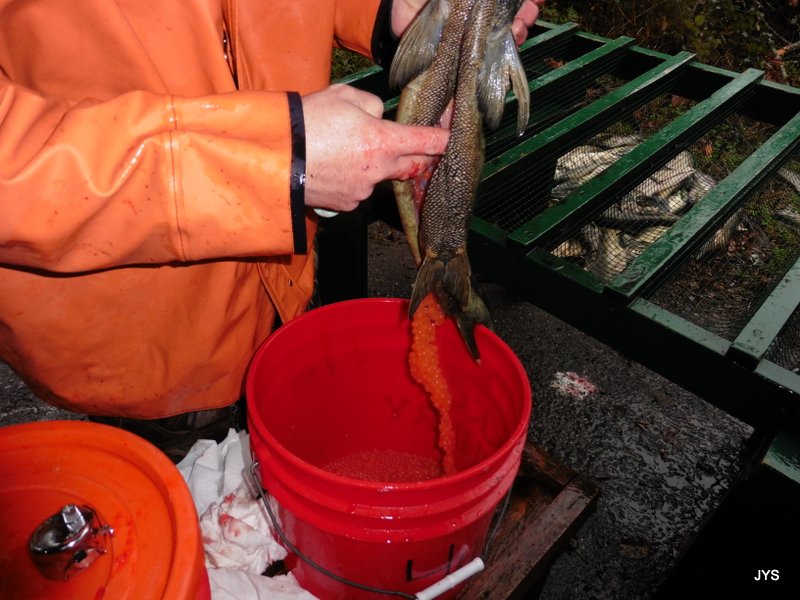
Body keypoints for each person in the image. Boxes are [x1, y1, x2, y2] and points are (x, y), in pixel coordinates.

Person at [0, 0, 544, 459]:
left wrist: (388, 8)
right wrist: (272, 161)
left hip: (282, 275)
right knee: (202, 512)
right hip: (145, 324)